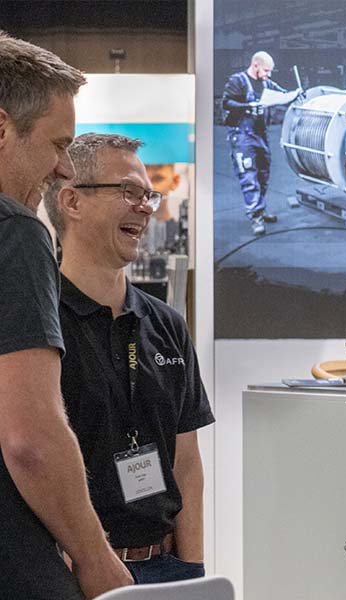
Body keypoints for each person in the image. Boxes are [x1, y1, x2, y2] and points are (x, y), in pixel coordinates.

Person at [43, 133, 215, 583]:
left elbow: (186, 461)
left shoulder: (166, 325)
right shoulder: (39, 325)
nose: (145, 206)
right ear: (72, 202)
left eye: (148, 195)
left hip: (165, 566)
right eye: (128, 191)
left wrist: (192, 570)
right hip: (74, 574)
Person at [0, 33, 134, 599]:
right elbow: (30, 438)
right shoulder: (15, 232)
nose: (63, 169)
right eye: (57, 145)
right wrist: (95, 556)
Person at [222, 50, 289, 236]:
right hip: (242, 135)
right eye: (266, 70)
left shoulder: (266, 83)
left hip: (260, 135)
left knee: (263, 174)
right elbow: (226, 102)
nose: (269, 74)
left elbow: (282, 93)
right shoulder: (238, 81)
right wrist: (247, 106)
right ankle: (255, 216)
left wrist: (295, 95)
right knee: (249, 176)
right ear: (255, 65)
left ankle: (261, 208)